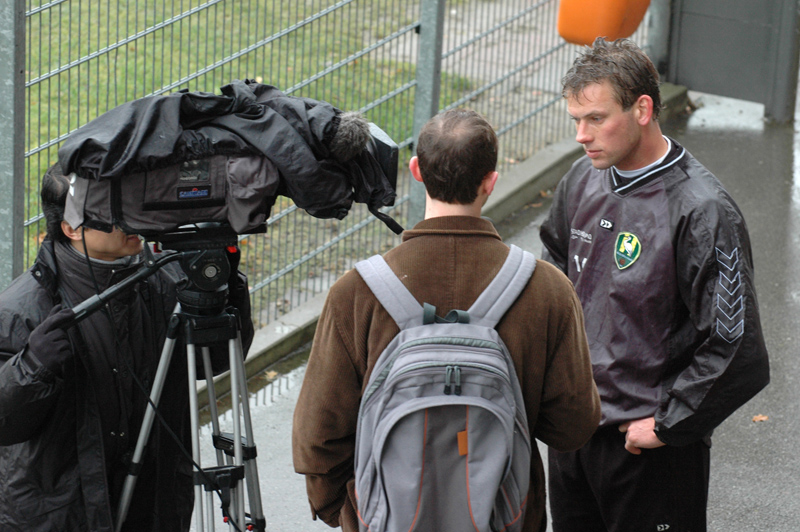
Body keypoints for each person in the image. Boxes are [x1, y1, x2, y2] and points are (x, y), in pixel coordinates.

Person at [292, 107, 601, 532]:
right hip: (503, 516)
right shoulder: (546, 288)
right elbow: (573, 426)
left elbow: (317, 437)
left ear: (416, 171)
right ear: (491, 180)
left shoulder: (356, 292)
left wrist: (350, 514)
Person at [539, 37, 770, 532]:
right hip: (573, 439)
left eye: (596, 118)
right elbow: (551, 277)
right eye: (575, 120)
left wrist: (669, 423)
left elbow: (737, 345)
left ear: (642, 108)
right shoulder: (580, 180)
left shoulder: (702, 211)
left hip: (645, 452)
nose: (582, 135)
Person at [0, 163, 254, 531]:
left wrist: (224, 292)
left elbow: (213, 362)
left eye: (132, 205)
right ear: (71, 228)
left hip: (155, 501)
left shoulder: (169, 279)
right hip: (62, 513)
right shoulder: (22, 309)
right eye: (111, 214)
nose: (130, 220)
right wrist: (33, 366)